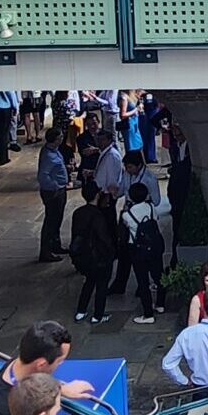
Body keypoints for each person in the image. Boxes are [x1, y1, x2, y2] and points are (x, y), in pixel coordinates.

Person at [67, 184, 117, 324]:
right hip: (99, 257)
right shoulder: (98, 215)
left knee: (89, 282)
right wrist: (111, 252)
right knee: (101, 285)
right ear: (97, 195)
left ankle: (81, 311)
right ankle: (98, 315)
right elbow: (103, 237)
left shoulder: (78, 212)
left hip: (83, 256)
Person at [118, 181, 165, 326]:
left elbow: (124, 231)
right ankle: (160, 304)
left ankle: (148, 313)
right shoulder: (151, 207)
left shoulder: (127, 215)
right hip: (154, 247)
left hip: (138, 250)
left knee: (143, 281)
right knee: (159, 276)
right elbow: (155, 219)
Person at [37, 128, 72, 263]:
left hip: (59, 189)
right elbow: (43, 176)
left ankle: (55, 245)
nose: (62, 139)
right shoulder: (48, 156)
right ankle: (46, 251)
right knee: (51, 221)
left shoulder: (54, 151)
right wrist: (56, 186)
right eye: (60, 137)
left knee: (57, 219)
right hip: (53, 192)